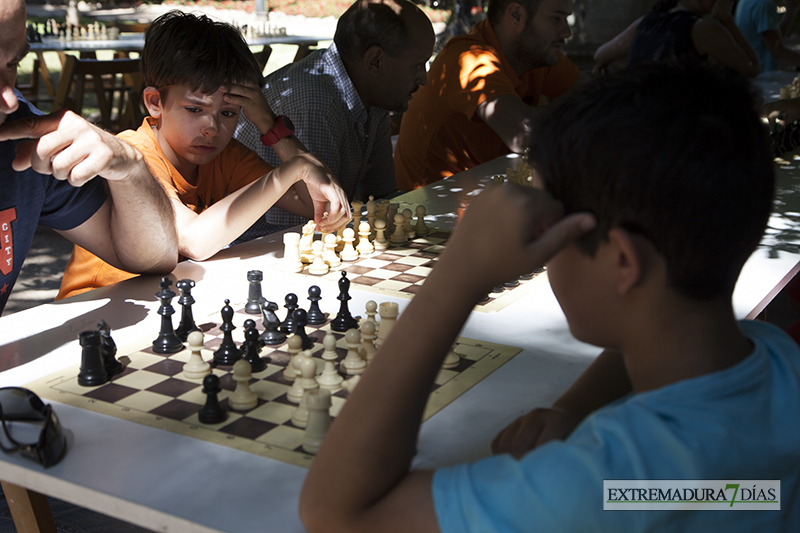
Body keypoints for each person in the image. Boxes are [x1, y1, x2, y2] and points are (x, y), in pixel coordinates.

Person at [299, 63, 800, 531]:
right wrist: (572, 409)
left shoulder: (598, 483)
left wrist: (457, 278)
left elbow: (337, 512)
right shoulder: (775, 357)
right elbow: (738, 494)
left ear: (623, 262)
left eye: (548, 232)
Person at [57, 11, 350, 300]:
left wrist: (269, 124)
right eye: (195, 109)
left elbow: (315, 202)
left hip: (168, 300)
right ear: (155, 102)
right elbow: (194, 240)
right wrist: (295, 168)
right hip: (94, 310)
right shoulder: (134, 155)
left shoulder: (225, 157)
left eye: (228, 113)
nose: (212, 128)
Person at [0, 0, 177, 315]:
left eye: (13, 63)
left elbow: (153, 258)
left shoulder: (26, 141)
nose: (8, 99)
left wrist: (131, 168)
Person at [234, 0, 435, 236]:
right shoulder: (315, 104)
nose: (424, 79)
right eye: (418, 65)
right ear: (375, 61)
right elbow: (311, 228)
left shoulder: (375, 99)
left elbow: (383, 200)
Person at [393, 0, 581, 191]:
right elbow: (523, 135)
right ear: (516, 15)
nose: (567, 32)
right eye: (556, 19)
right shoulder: (469, 59)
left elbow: (598, 100)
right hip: (423, 212)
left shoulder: (536, 56)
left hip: (486, 198)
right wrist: (576, 112)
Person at [594, 0, 759, 77]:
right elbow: (752, 68)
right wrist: (726, 19)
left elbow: (600, 55)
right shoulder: (702, 28)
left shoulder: (646, 21)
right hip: (671, 123)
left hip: (633, 114)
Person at [735, 0, 800, 72]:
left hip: (750, 72)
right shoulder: (764, 4)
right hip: (762, 75)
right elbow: (777, 50)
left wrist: (792, 10)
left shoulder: (745, 1)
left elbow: (774, 38)